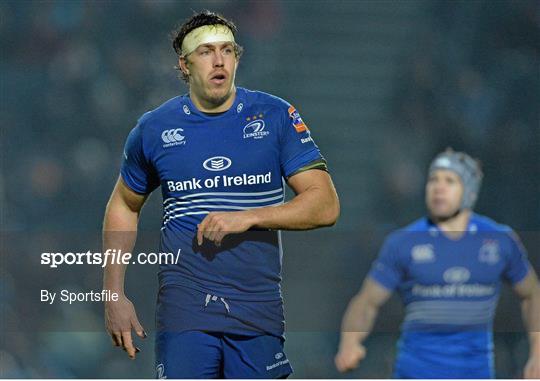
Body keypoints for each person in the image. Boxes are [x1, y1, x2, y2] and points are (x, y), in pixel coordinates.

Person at [102, 10, 339, 379]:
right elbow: (123, 204)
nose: (218, 61)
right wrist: (113, 293)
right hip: (186, 306)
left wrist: (249, 217)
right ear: (184, 65)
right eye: (206, 51)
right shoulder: (154, 129)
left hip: (256, 308)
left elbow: (325, 205)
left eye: (227, 50)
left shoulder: (275, 116)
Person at [335, 149, 540, 378]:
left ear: (469, 192)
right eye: (433, 179)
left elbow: (532, 294)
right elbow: (367, 301)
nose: (438, 187)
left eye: (450, 181)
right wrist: (350, 341)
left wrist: (538, 353)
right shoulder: (403, 242)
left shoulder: (500, 241)